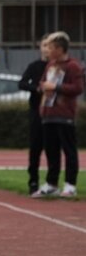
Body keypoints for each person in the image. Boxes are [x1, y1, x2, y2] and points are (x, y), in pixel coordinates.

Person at [32, 31, 83, 199]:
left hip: (64, 115)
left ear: (60, 49)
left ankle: (70, 184)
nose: (48, 51)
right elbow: (43, 82)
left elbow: (77, 88)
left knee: (69, 150)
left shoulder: (73, 66)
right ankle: (51, 183)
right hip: (48, 113)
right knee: (51, 150)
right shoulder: (50, 65)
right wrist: (42, 86)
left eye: (51, 47)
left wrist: (56, 87)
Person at [19, 37, 49, 195]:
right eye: (44, 45)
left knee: (52, 148)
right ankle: (33, 181)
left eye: (50, 45)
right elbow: (22, 83)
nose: (47, 48)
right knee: (35, 147)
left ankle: (52, 182)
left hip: (53, 113)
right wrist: (36, 88)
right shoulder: (34, 66)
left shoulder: (57, 67)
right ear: (40, 47)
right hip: (36, 111)